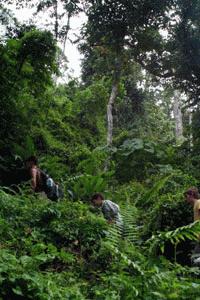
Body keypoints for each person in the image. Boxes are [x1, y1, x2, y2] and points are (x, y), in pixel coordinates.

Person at [185, 187, 200, 264]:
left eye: (187, 196)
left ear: (192, 195)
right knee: (195, 260)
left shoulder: (198, 202)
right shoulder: (195, 205)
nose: (186, 199)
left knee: (194, 260)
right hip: (198, 238)